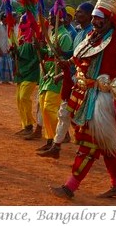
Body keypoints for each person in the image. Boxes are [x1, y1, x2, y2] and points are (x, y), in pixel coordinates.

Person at [50, 0, 116, 200]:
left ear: (110, 20)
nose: (95, 22)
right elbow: (79, 61)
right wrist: (67, 66)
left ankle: (70, 187)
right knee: (108, 145)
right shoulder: (91, 38)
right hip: (86, 95)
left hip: (103, 100)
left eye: (99, 19)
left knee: (88, 143)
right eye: (94, 18)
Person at [38, 1, 93, 159]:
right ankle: (56, 145)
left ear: (89, 16)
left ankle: (88, 148)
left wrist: (64, 69)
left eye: (81, 12)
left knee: (81, 117)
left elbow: (84, 60)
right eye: (77, 12)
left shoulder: (91, 35)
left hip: (87, 82)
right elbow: (75, 57)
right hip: (75, 79)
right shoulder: (80, 34)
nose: (77, 15)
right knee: (64, 112)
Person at [33, 8, 74, 153]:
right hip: (48, 74)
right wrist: (41, 49)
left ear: (59, 19)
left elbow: (64, 58)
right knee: (43, 107)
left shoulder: (65, 36)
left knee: (49, 106)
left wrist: (57, 52)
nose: (49, 19)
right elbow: (49, 54)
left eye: (52, 17)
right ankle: (50, 139)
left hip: (58, 76)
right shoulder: (52, 33)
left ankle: (60, 136)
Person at [12, 14, 41, 136]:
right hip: (21, 73)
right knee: (19, 99)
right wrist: (14, 52)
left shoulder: (34, 38)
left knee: (24, 97)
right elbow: (18, 55)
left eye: (23, 22)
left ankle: (29, 124)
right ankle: (26, 125)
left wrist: (28, 68)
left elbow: (37, 57)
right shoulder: (21, 38)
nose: (21, 25)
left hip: (31, 74)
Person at [0, 12, 13, 85]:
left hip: (7, 48)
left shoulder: (9, 27)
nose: (6, 20)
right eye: (5, 18)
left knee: (7, 64)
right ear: (2, 18)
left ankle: (6, 80)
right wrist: (0, 49)